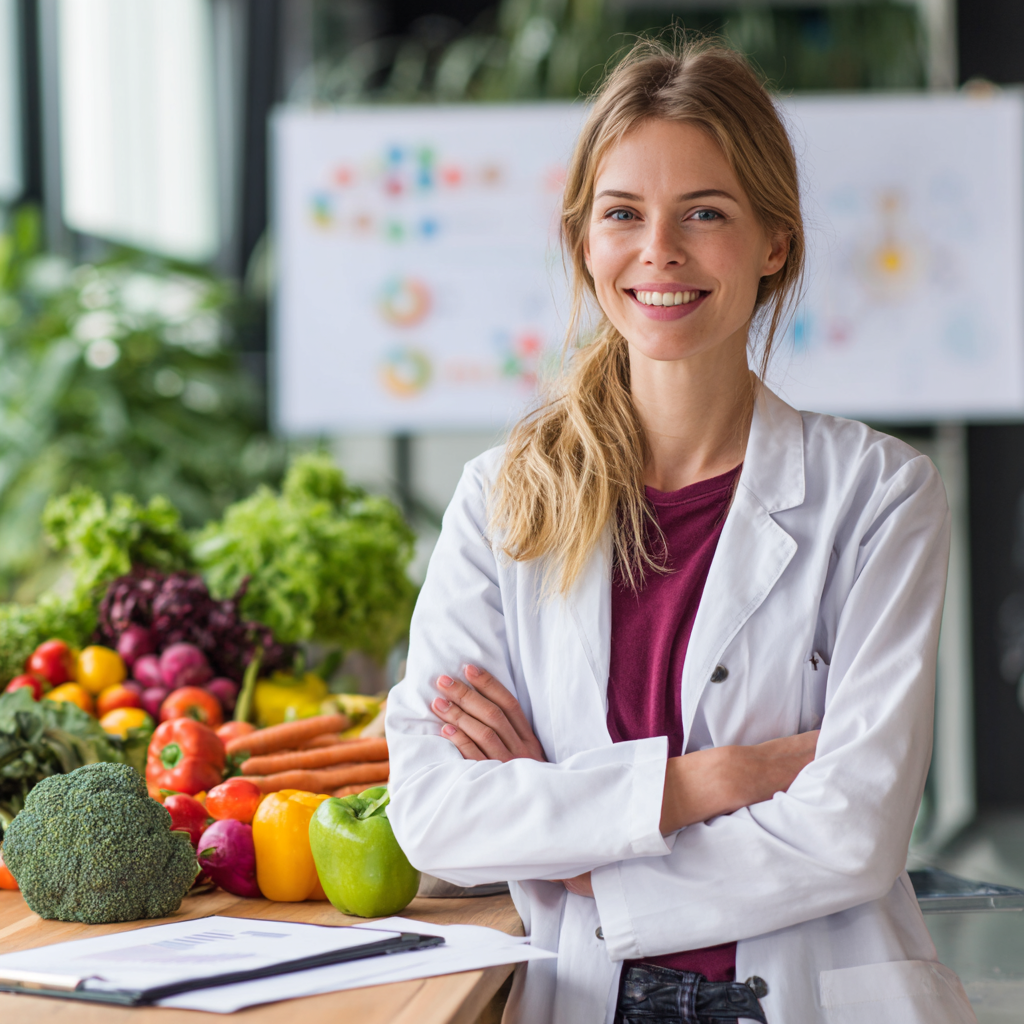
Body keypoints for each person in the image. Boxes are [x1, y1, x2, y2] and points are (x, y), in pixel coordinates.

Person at [385, 38, 976, 1024]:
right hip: (584, 998)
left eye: (705, 213)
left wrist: (589, 862)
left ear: (774, 242)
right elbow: (438, 817)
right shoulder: (502, 501)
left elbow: (853, 829)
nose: (659, 250)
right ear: (583, 240)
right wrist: (718, 779)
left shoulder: (879, 495)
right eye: (623, 214)